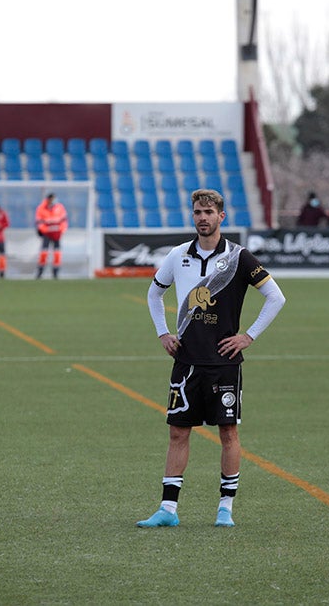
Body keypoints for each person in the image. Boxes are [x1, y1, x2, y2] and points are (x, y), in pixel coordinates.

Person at [137, 189, 286, 529]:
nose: (202, 217)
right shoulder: (178, 255)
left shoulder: (239, 257)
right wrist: (163, 332)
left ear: (222, 217)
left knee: (228, 433)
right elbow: (154, 293)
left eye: (208, 212)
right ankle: (168, 511)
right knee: (177, 433)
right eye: (197, 212)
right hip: (187, 361)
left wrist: (248, 336)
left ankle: (225, 509)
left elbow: (276, 297)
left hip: (224, 364)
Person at [35, 193, 67, 279]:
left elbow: (64, 220)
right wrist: (46, 230)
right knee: (44, 252)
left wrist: (61, 230)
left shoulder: (60, 207)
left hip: (57, 234)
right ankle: (40, 271)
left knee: (57, 253)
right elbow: (39, 222)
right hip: (47, 234)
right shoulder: (41, 208)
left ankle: (56, 272)